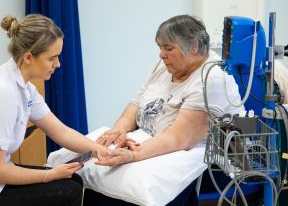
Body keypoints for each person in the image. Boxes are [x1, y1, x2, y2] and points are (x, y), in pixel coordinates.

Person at [0, 14, 109, 206]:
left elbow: (60, 131)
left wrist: (99, 150)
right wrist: (50, 174)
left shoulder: (24, 88)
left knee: (72, 181)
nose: (58, 64)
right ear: (29, 57)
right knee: (68, 190)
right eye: (52, 58)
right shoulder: (0, 94)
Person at [95, 15, 244, 166]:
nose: (161, 54)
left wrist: (134, 154)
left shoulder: (212, 78)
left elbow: (179, 138)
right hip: (147, 140)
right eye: (160, 47)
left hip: (197, 160)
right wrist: (118, 130)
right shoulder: (164, 65)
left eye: (168, 48)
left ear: (194, 48)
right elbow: (137, 103)